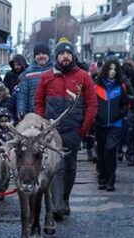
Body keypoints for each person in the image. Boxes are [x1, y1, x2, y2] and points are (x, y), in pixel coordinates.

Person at [34, 39, 97, 220]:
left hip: (73, 129)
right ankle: (56, 204)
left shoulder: (83, 76)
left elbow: (92, 105)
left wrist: (83, 128)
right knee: (55, 166)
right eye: (62, 53)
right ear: (57, 56)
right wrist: (42, 124)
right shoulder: (47, 77)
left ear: (73, 56)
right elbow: (39, 102)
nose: (65, 56)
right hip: (52, 129)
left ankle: (64, 199)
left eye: (68, 53)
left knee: (69, 167)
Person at [94, 58, 131, 192]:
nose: (112, 72)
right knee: (101, 152)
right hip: (100, 124)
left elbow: (126, 104)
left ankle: (110, 180)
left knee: (110, 151)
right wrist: (96, 115)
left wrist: (119, 114)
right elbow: (92, 104)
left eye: (115, 69)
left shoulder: (121, 87)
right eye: (110, 69)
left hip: (115, 124)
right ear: (105, 70)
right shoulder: (96, 87)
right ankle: (102, 178)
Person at [17, 42, 53, 120]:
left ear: (48, 55)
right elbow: (23, 94)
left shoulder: (56, 70)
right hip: (33, 113)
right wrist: (21, 110)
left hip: (52, 113)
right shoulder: (27, 72)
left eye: (44, 53)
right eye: (38, 54)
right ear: (34, 56)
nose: (41, 56)